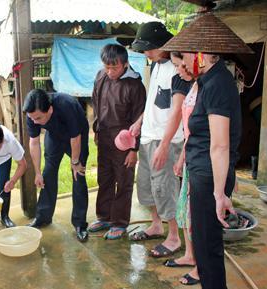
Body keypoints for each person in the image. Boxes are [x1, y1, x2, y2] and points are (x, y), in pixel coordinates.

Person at [161, 12, 252, 289]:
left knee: (208, 248)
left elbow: (221, 144)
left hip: (211, 178)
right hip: (202, 174)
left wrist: (220, 193)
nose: (184, 63)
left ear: (202, 54)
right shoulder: (207, 81)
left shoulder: (218, 84)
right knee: (202, 244)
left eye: (187, 56)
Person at [129, 22, 184, 259]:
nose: (145, 53)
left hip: (167, 141)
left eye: (149, 48)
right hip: (148, 136)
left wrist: (164, 144)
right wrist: (140, 121)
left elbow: (178, 112)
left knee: (165, 188)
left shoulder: (177, 68)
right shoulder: (156, 64)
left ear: (164, 44)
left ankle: (174, 237)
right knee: (146, 186)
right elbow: (155, 100)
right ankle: (156, 224)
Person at [89, 44, 146, 240]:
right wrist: (96, 129)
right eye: (107, 67)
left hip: (125, 142)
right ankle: (104, 216)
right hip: (104, 137)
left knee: (123, 181)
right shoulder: (101, 76)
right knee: (104, 178)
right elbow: (95, 103)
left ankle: (120, 222)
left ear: (125, 64)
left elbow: (140, 118)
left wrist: (134, 149)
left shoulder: (135, 85)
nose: (110, 71)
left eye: (114, 67)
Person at [23, 89, 89, 242]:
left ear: (50, 110)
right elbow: (34, 142)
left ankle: (80, 224)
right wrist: (37, 172)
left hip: (77, 136)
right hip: (54, 136)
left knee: (78, 175)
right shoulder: (32, 114)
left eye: (38, 118)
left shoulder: (67, 104)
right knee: (48, 173)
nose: (35, 121)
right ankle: (43, 217)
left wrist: (75, 162)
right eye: (32, 118)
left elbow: (76, 138)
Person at [162, 52, 199, 285]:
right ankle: (190, 255)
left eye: (180, 64)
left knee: (197, 213)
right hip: (191, 154)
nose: (178, 70)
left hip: (201, 158)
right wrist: (183, 157)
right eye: (176, 65)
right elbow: (190, 129)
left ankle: (200, 266)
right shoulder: (192, 84)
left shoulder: (207, 86)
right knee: (185, 209)